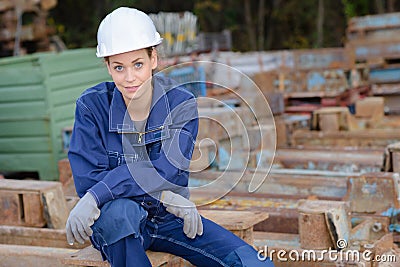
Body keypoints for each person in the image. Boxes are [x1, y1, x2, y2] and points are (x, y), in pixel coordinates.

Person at [65, 6, 274, 267]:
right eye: (119, 67)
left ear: (154, 59)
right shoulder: (91, 107)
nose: (130, 78)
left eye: (138, 64)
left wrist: (103, 193)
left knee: (254, 264)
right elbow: (88, 180)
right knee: (121, 212)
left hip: (170, 217)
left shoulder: (180, 104)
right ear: (107, 66)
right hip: (118, 224)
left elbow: (164, 170)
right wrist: (160, 194)